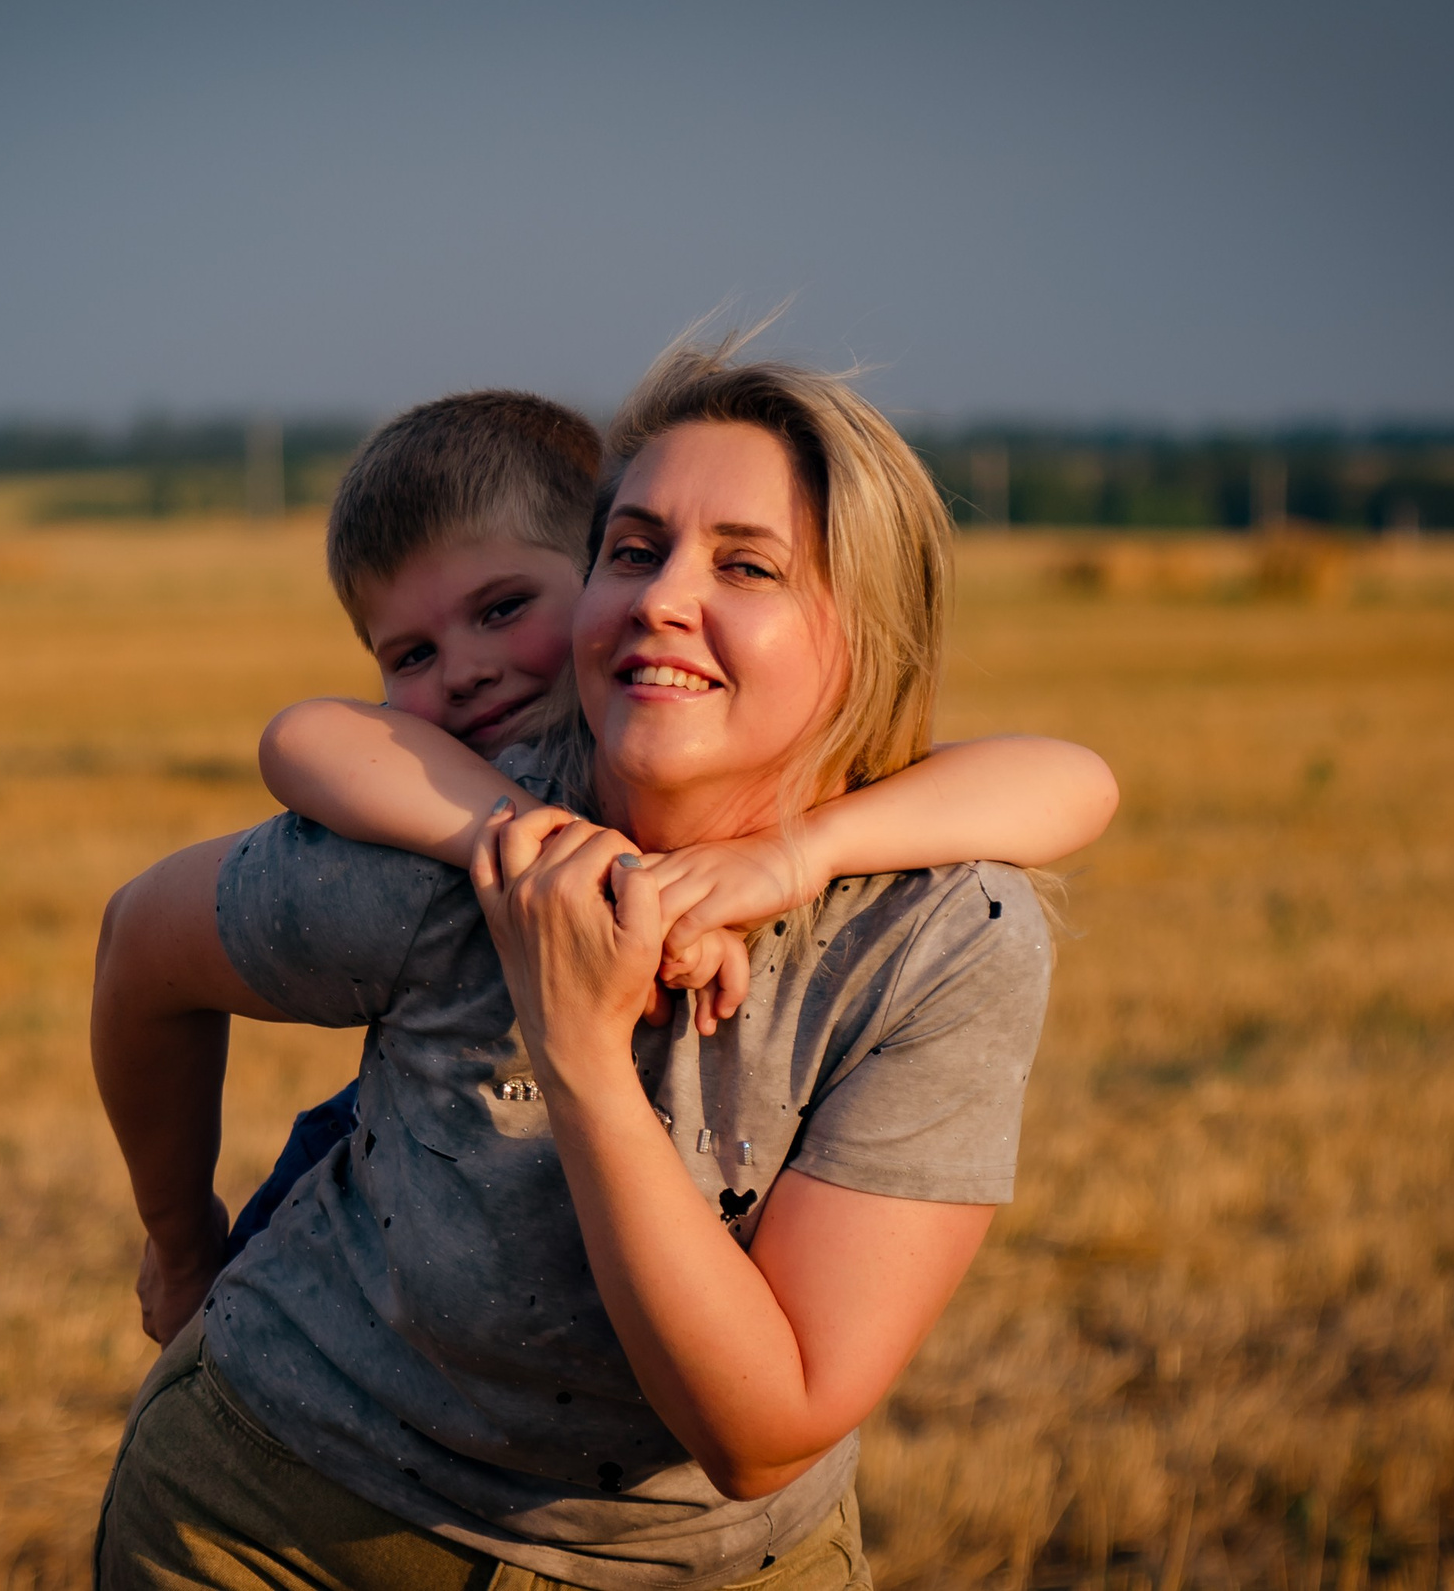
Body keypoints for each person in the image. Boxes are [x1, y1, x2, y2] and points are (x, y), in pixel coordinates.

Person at [88, 338, 1076, 1589]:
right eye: (636, 548)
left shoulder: (938, 931)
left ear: (864, 621)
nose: (663, 596)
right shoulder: (441, 844)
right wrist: (181, 1245)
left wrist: (777, 870)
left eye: (747, 563)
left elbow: (762, 1433)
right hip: (275, 1522)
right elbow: (149, 932)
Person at [219, 389, 1117, 1259]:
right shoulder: (487, 774)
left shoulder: (683, 723)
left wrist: (790, 857)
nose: (464, 672)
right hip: (406, 1149)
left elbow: (1078, 782)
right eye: (411, 656)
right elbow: (302, 736)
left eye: (503, 611)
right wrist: (564, 849)